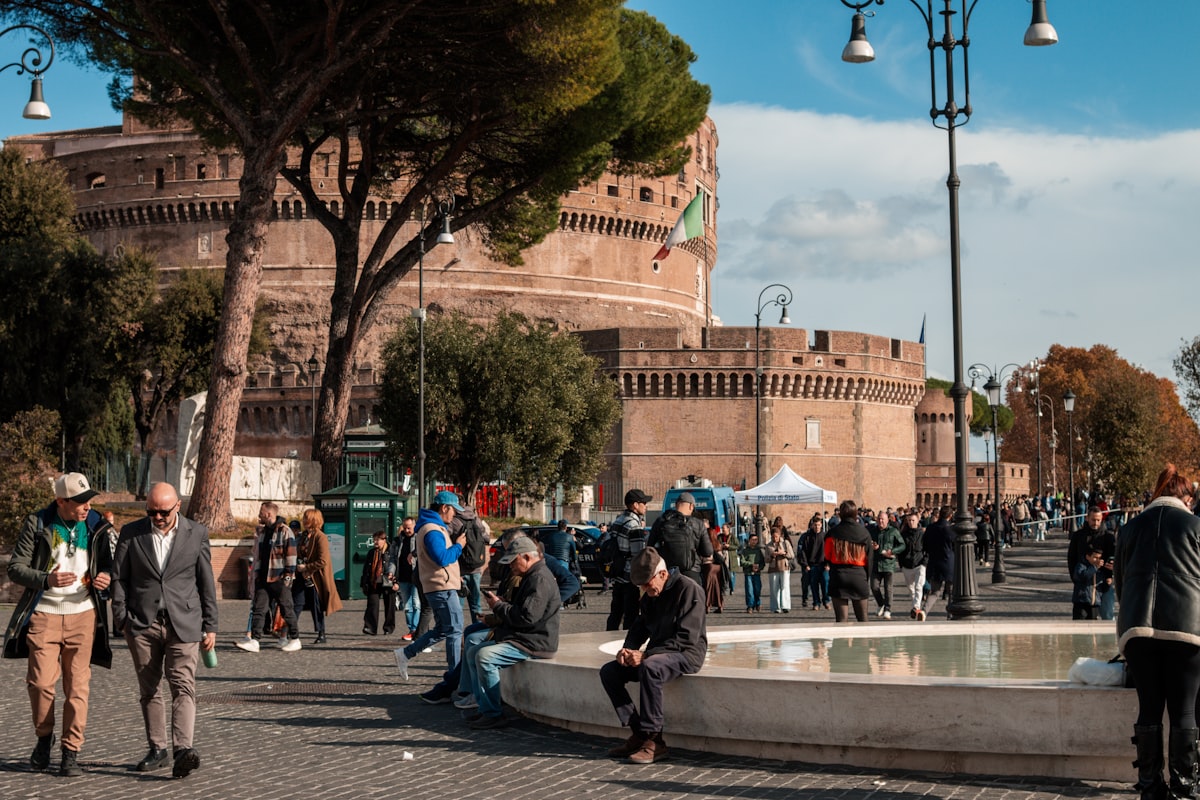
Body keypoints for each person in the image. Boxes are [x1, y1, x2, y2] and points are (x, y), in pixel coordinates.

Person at [3, 473, 113, 777]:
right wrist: (46, 579)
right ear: (61, 501)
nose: (86, 506)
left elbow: (106, 564)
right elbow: (16, 567)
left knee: (78, 687)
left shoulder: (96, 524)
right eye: (79, 502)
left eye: (89, 500)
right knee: (40, 683)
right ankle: (43, 737)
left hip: (84, 614)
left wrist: (105, 578)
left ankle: (70, 751)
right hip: (44, 615)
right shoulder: (38, 523)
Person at [111, 481, 218, 779]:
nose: (157, 517)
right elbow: (119, 577)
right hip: (142, 624)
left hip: (183, 622)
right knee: (149, 688)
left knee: (183, 685)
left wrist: (211, 625)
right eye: (152, 511)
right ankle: (157, 749)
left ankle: (183, 749)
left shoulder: (196, 533)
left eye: (163, 512)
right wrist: (121, 618)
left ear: (178, 506)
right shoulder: (132, 532)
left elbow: (206, 582)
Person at [1116, 464, 1200, 800]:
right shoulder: (1195, 525)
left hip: (1137, 628)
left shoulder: (1130, 527)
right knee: (1184, 710)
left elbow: (1122, 585)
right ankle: (1186, 788)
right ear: (1184, 497)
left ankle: (1151, 787)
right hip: (1187, 628)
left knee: (1149, 706)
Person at [599, 546, 707, 765]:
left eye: (647, 585)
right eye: (641, 587)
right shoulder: (651, 594)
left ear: (663, 575)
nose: (645, 590)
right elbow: (640, 626)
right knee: (610, 671)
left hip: (687, 653)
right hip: (659, 652)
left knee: (651, 667)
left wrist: (646, 655)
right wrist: (628, 649)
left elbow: (687, 638)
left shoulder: (689, 590)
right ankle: (639, 733)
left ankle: (656, 741)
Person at [457, 536, 561, 730]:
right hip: (526, 637)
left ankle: (493, 713)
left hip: (534, 643)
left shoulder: (539, 579)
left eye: (514, 561)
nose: (511, 566)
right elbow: (525, 613)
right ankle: (485, 707)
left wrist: (498, 606)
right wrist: (503, 604)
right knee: (473, 652)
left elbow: (527, 617)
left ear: (527, 558)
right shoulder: (532, 576)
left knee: (483, 656)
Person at [394, 491, 466, 682]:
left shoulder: (429, 527)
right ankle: (455, 678)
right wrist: (458, 546)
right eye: (453, 511)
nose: (454, 516)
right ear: (444, 508)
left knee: (444, 629)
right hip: (442, 587)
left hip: (439, 585)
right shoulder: (433, 529)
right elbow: (442, 558)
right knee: (455, 630)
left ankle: (407, 653)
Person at [236, 502, 301, 652]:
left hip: (279, 578)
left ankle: (295, 638)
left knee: (286, 609)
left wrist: (287, 577)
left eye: (261, 512)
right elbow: (259, 555)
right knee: (259, 609)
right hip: (264, 578)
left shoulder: (285, 531)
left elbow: (291, 555)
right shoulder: (263, 532)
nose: (259, 514)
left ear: (269, 514)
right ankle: (255, 640)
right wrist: (257, 574)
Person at [605, 489, 651, 631]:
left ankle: (607, 639)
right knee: (630, 615)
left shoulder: (618, 521)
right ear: (635, 505)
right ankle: (626, 644)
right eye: (644, 503)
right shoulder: (633, 525)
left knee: (615, 613)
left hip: (617, 573)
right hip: (630, 576)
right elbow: (638, 554)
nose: (646, 506)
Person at [295, 508, 341, 644]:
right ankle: (290, 631)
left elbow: (323, 560)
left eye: (306, 518)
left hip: (315, 578)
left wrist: (307, 567)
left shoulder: (321, 537)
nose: (303, 521)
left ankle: (321, 632)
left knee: (316, 606)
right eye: (303, 518)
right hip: (301, 575)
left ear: (313, 521)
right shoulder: (303, 536)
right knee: (296, 603)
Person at [646, 492, 712, 585]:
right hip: (691, 572)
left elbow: (650, 546)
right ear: (691, 506)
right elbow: (707, 551)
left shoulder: (661, 521)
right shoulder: (698, 524)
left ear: (676, 504)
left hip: (667, 572)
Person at [824, 500, 873, 623]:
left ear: (840, 514)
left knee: (841, 620)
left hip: (839, 575)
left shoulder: (833, 533)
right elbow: (869, 559)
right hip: (858, 575)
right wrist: (866, 577)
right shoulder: (864, 533)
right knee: (863, 619)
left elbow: (827, 556)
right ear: (855, 514)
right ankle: (864, 641)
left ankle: (841, 642)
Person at [455, 504, 491, 625]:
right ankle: (477, 629)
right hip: (476, 569)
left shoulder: (455, 521)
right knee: (476, 604)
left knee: (458, 606)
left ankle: (458, 634)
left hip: (460, 570)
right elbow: (486, 538)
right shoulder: (476, 519)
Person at [869, 510, 904, 620]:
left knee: (888, 588)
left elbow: (902, 545)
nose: (880, 521)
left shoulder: (893, 531)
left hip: (888, 563)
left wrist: (893, 551)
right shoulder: (872, 530)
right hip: (875, 563)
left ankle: (888, 609)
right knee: (874, 587)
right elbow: (867, 543)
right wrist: (871, 546)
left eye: (882, 519)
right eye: (879, 519)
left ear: (887, 520)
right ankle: (881, 604)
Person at [922, 506, 956, 619]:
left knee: (935, 592)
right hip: (948, 563)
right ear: (950, 516)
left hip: (934, 562)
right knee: (951, 591)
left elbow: (925, 545)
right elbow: (955, 546)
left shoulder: (931, 528)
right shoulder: (950, 530)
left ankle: (924, 611)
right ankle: (950, 614)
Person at [361, 530, 397, 635]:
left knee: (390, 605)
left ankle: (388, 627)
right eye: (374, 540)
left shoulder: (391, 551)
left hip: (388, 580)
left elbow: (396, 565)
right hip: (374, 581)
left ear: (384, 540)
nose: (375, 542)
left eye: (378, 540)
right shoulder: (372, 552)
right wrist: (364, 583)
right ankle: (370, 627)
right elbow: (366, 569)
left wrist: (396, 581)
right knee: (372, 604)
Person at [393, 517, 421, 641]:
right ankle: (411, 629)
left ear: (414, 526)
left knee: (416, 603)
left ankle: (415, 629)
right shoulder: (399, 540)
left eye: (409, 527)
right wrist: (390, 572)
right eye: (405, 528)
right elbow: (393, 558)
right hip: (403, 576)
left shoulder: (419, 538)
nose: (407, 530)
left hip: (416, 576)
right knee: (407, 606)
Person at [897, 511, 928, 621]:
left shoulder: (922, 534)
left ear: (917, 521)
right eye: (909, 520)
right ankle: (916, 605)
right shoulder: (903, 534)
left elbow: (927, 549)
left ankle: (916, 608)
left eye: (913, 520)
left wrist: (925, 562)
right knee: (911, 588)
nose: (911, 522)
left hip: (919, 563)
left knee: (919, 586)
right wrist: (901, 563)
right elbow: (900, 550)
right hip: (907, 564)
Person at [798, 514, 829, 611]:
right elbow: (802, 552)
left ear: (821, 525)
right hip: (812, 565)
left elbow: (829, 551)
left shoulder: (825, 536)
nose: (817, 527)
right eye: (815, 525)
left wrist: (828, 564)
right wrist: (805, 564)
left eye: (818, 525)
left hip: (824, 564)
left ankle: (826, 601)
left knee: (826, 582)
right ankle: (816, 602)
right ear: (812, 525)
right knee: (814, 585)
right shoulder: (807, 537)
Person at [1071, 546, 1105, 620]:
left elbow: (1102, 585)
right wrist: (1095, 567)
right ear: (1087, 556)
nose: (1097, 560)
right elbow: (1084, 576)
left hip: (1094, 602)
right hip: (1082, 602)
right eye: (1095, 557)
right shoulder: (1081, 566)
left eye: (1099, 558)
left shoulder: (1100, 569)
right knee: (1080, 625)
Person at [766, 525, 794, 613]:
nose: (775, 538)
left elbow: (792, 555)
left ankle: (785, 606)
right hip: (773, 568)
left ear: (780, 535)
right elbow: (766, 559)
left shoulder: (785, 543)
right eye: (773, 537)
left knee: (784, 587)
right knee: (774, 588)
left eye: (776, 536)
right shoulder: (768, 546)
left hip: (784, 567)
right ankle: (776, 607)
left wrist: (784, 553)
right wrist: (772, 555)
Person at [738, 533, 766, 613]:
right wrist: (750, 564)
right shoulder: (745, 551)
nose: (754, 541)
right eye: (753, 540)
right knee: (749, 590)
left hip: (757, 573)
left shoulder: (758, 551)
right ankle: (750, 606)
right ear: (749, 540)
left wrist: (759, 568)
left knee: (757, 589)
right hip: (748, 573)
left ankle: (757, 604)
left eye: (756, 540)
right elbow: (742, 561)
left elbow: (762, 563)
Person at [702, 526, 725, 613]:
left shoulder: (706, 544)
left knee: (707, 586)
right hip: (717, 567)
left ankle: (707, 605)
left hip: (708, 566)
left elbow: (705, 556)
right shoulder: (718, 543)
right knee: (717, 586)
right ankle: (720, 605)